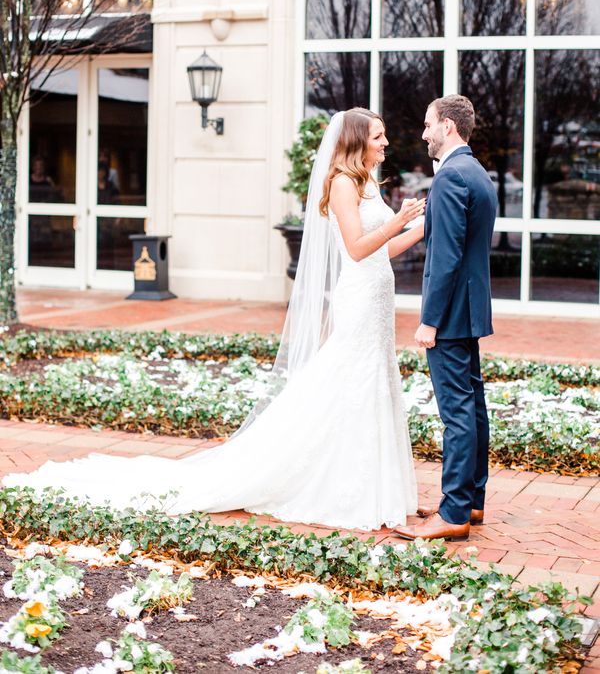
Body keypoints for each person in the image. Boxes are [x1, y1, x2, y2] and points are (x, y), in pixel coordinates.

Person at [5, 109, 426, 531]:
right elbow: (355, 249)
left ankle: (374, 486)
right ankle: (329, 483)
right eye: (378, 136)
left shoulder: (370, 184)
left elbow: (380, 251)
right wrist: (399, 221)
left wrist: (418, 229)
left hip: (377, 298)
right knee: (348, 384)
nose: (385, 143)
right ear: (355, 141)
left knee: (371, 385)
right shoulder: (341, 184)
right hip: (358, 300)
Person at [394, 95, 497, 544]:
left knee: (456, 413)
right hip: (469, 310)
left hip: (451, 315)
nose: (423, 133)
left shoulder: (453, 175)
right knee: (472, 406)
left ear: (449, 127)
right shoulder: (475, 172)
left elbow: (447, 257)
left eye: (428, 124)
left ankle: (453, 511)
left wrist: (429, 320)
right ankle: (471, 500)